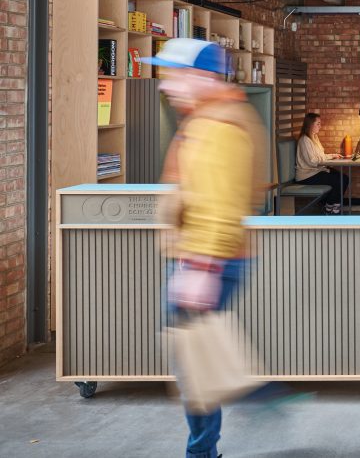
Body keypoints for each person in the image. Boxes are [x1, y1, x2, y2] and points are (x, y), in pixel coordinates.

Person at [147, 38, 268, 458]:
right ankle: (248, 404)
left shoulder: (219, 127)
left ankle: (206, 447)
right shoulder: (205, 119)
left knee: (196, 363)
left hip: (207, 258)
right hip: (198, 256)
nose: (165, 86)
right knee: (195, 361)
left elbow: (222, 203)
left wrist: (202, 266)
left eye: (173, 76)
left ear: (200, 76)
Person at [295, 112, 348, 214]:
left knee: (344, 178)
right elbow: (312, 161)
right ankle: (331, 208)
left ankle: (330, 207)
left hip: (317, 171)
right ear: (310, 124)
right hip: (307, 175)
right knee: (339, 180)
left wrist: (332, 156)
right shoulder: (305, 140)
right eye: (318, 123)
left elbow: (320, 156)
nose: (320, 126)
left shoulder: (314, 137)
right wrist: (326, 159)